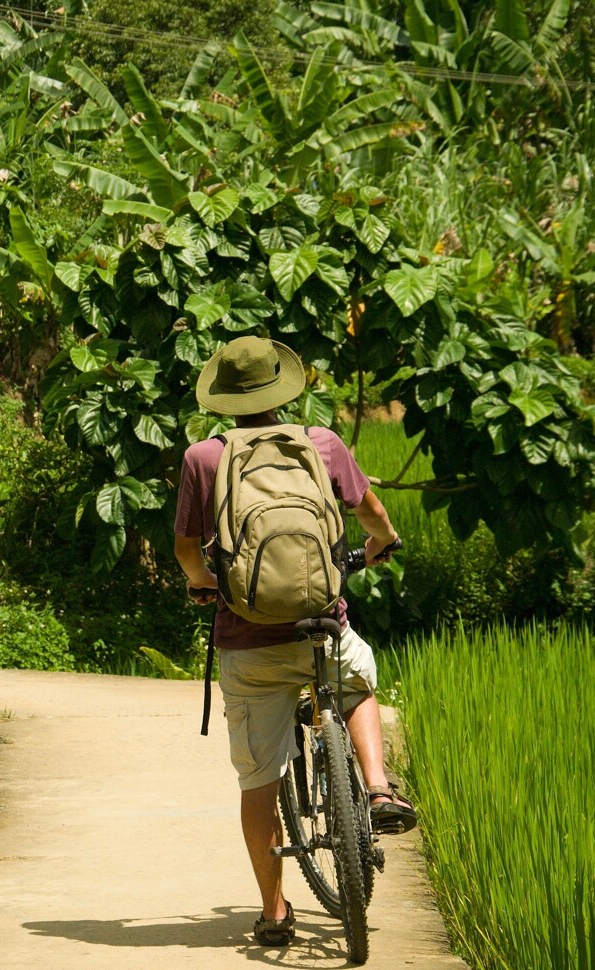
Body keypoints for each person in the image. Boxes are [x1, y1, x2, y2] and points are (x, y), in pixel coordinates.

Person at [170, 336, 417, 949]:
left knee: (258, 782)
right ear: (285, 388)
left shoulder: (204, 457)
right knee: (358, 676)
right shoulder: (322, 444)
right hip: (320, 626)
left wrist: (204, 584)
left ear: (223, 398)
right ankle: (379, 786)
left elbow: (184, 548)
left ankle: (276, 913)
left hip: (246, 639)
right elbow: (373, 517)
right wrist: (381, 547)